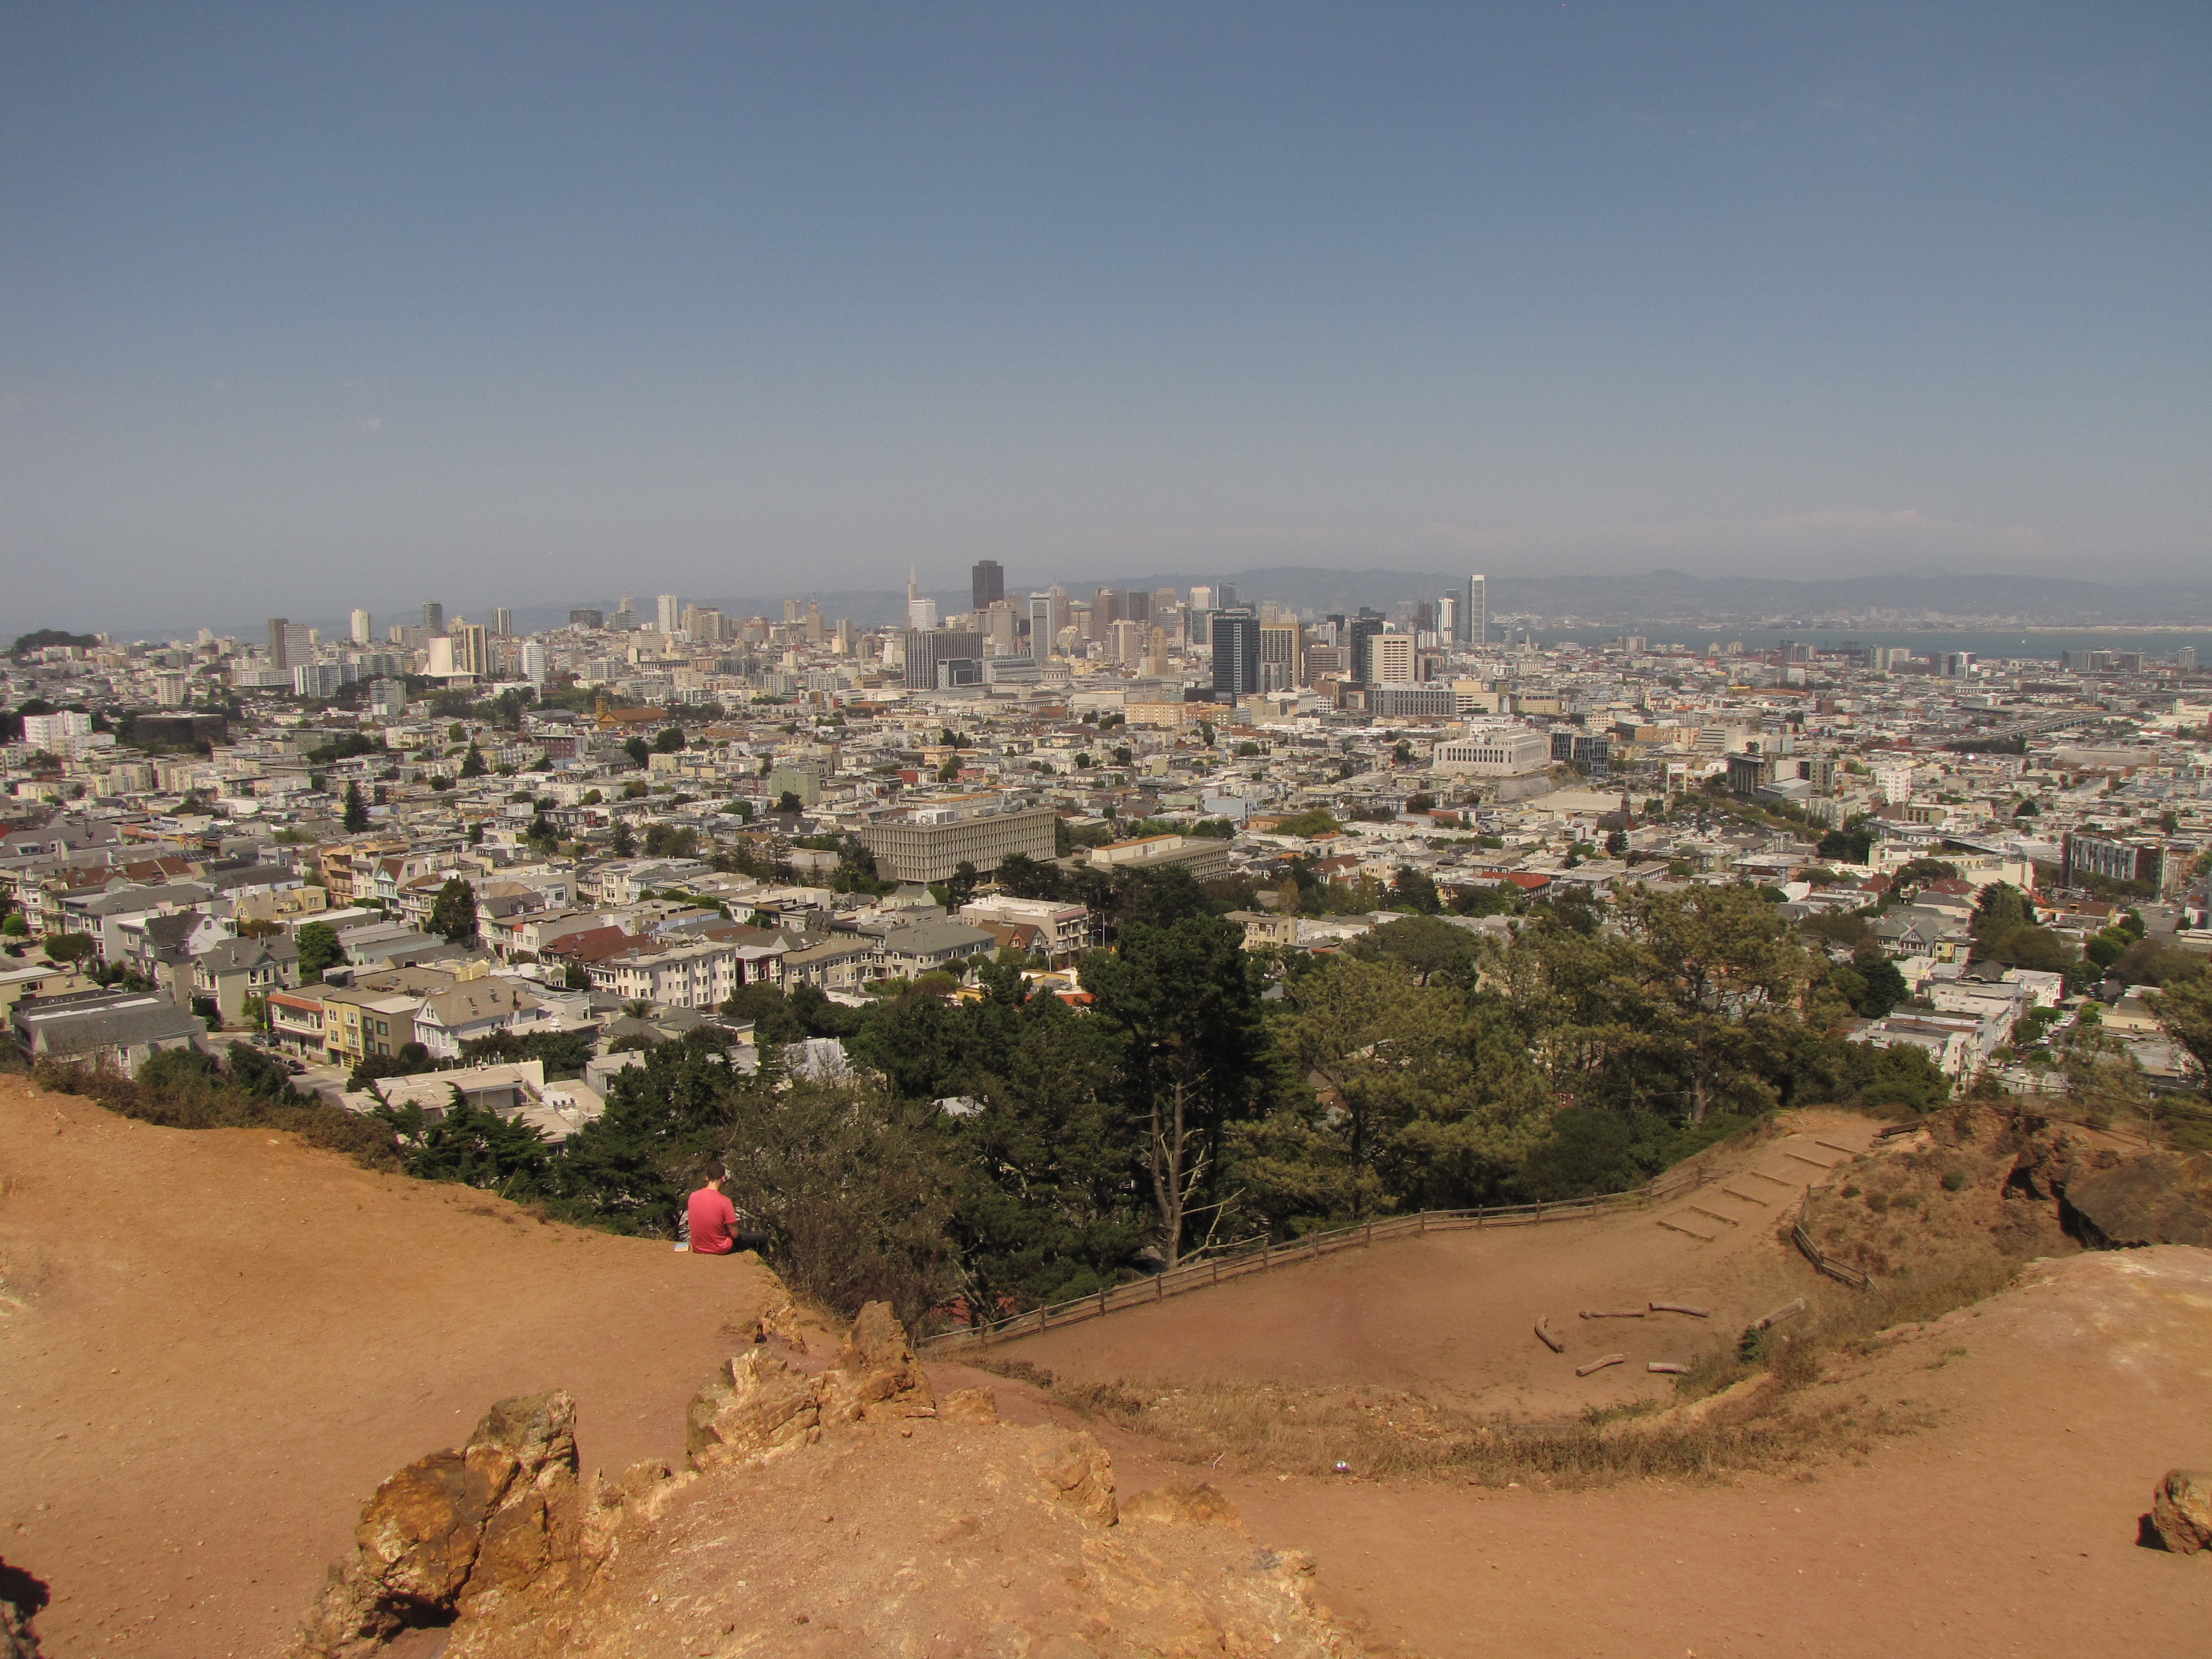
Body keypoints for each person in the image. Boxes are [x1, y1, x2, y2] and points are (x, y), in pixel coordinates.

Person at [684, 1171, 769, 1256]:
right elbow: (735, 1234)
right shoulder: (725, 1201)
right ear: (723, 1178)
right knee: (763, 1239)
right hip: (720, 1248)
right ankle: (762, 1263)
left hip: (698, 1247)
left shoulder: (693, 1196)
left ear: (707, 1178)